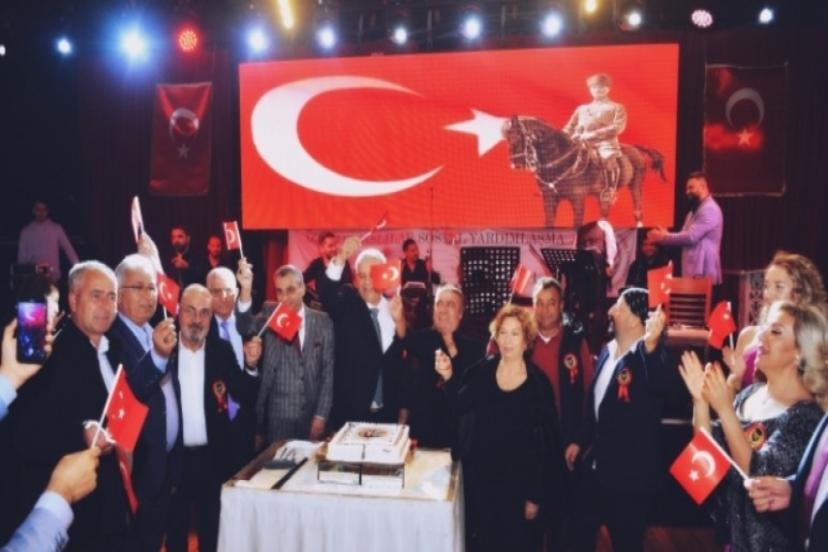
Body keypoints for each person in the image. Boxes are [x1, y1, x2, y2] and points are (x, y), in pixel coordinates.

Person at [679, 301, 826, 551]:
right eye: (764, 328)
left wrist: (725, 410)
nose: (761, 336)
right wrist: (700, 403)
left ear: (800, 351)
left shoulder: (806, 416)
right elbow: (705, 462)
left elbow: (759, 475)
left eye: (775, 332)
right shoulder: (749, 395)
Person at [12, 261, 130, 551]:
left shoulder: (116, 350)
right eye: (96, 296)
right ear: (73, 300)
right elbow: (29, 433)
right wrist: (81, 431)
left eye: (112, 297)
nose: (106, 305)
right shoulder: (49, 356)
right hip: (75, 516)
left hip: (116, 503)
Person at [436, 304, 565, 552]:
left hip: (520, 487)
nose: (507, 340)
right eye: (502, 332)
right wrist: (449, 377)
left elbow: (546, 448)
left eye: (515, 333)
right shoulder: (483, 371)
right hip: (482, 482)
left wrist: (534, 496)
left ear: (526, 340)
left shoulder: (538, 385)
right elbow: (458, 405)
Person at [568, 288, 668, 552]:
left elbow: (659, 383)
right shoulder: (607, 350)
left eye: (619, 307)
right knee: (579, 538)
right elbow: (595, 406)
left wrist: (651, 346)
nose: (611, 311)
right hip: (596, 471)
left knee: (627, 544)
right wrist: (580, 441)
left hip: (630, 482)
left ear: (635, 320)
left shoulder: (648, 358)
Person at [165, 285, 261, 552]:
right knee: (175, 535)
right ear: (178, 311)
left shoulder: (221, 350)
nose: (197, 320)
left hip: (212, 460)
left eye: (204, 313)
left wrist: (251, 365)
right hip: (174, 462)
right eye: (190, 311)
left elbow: (244, 394)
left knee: (212, 535)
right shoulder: (165, 349)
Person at [107, 254, 179, 552]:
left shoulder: (154, 331)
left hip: (162, 466)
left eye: (151, 287)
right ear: (118, 294)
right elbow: (133, 391)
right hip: (137, 472)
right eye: (138, 287)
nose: (149, 295)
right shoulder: (112, 338)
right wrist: (159, 357)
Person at [236, 264, 334, 445]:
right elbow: (244, 326)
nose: (284, 298)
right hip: (278, 418)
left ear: (302, 289)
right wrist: (246, 290)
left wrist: (321, 416)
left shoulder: (323, 321)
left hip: (312, 417)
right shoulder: (270, 313)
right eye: (279, 292)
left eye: (290, 290)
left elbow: (328, 374)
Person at [317, 236, 406, 426]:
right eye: (362, 276)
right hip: (351, 414)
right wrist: (341, 257)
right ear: (356, 279)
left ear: (383, 275)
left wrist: (400, 322)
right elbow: (326, 294)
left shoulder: (395, 310)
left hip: (387, 415)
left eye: (372, 275)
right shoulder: (347, 303)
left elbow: (401, 362)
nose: (367, 282)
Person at [725, 251, 827, 390]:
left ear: (801, 293)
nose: (768, 294)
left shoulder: (813, 343)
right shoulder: (748, 335)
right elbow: (729, 394)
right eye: (766, 286)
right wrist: (735, 380)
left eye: (779, 286)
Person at [400, 284, 485, 449]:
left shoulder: (475, 347)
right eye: (439, 303)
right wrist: (402, 428)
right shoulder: (419, 339)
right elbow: (406, 389)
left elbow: (468, 394)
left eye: (450, 304)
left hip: (457, 437)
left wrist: (448, 339)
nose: (443, 309)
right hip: (421, 436)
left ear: (460, 314)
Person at [530, 277, 593, 468]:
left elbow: (589, 393)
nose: (545, 310)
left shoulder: (575, 342)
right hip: (531, 442)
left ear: (561, 306)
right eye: (539, 303)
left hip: (567, 443)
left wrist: (580, 439)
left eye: (551, 303)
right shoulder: (524, 343)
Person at [648, 171, 723, 285]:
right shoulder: (693, 212)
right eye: (687, 189)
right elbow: (682, 235)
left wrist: (664, 237)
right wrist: (666, 234)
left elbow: (691, 237)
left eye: (691, 187)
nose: (687, 192)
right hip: (692, 272)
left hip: (703, 272)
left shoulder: (709, 209)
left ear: (703, 186)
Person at [563, 73, 627, 204]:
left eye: (602, 87)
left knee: (607, 158)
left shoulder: (616, 107)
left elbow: (617, 127)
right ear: (590, 90)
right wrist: (562, 137)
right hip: (580, 142)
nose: (598, 90)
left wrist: (591, 135)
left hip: (605, 143)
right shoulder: (582, 109)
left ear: (608, 89)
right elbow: (569, 127)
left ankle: (610, 190)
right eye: (594, 87)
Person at [17, 200, 79, 283]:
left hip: (53, 278)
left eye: (44, 209)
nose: (41, 212)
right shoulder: (26, 231)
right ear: (33, 211)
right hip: (33, 279)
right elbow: (21, 259)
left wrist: (78, 268)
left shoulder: (56, 229)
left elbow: (68, 249)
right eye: (38, 209)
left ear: (47, 211)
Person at [303, 232, 352, 309]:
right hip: (322, 310)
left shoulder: (344, 263)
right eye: (330, 246)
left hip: (340, 308)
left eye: (335, 245)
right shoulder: (316, 264)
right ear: (321, 248)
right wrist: (311, 298)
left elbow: (349, 287)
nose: (334, 248)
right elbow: (301, 279)